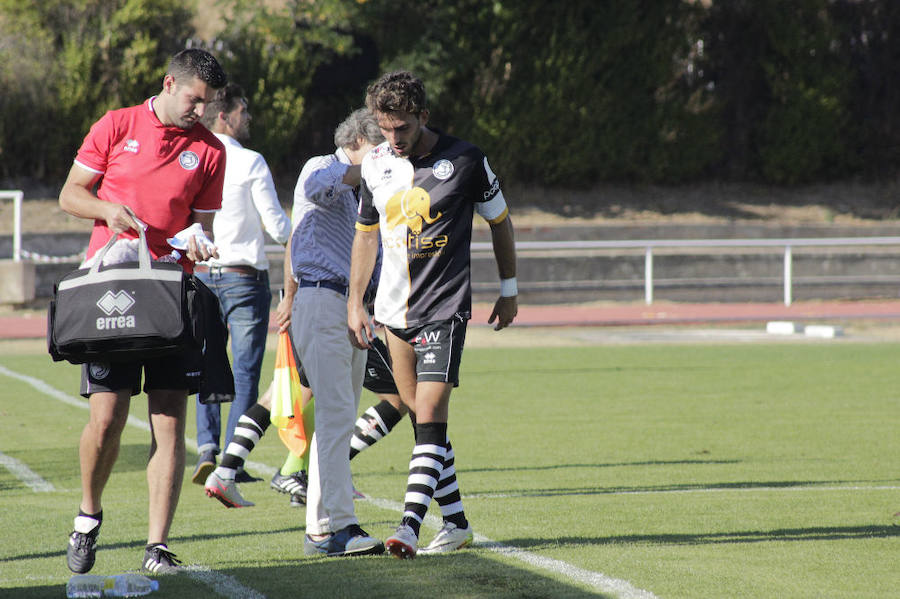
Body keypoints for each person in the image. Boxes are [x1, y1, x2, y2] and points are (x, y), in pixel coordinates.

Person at [58, 49, 228, 575]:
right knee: (107, 420)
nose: (200, 110)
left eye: (207, 103)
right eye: (193, 99)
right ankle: (88, 516)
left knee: (170, 421)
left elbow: (202, 225)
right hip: (114, 293)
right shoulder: (117, 125)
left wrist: (199, 240)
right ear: (169, 83)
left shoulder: (211, 151)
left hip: (172, 298)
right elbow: (70, 194)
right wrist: (107, 209)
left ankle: (157, 546)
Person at [347, 70, 518, 559]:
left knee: (430, 412)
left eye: (402, 127)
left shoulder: (466, 160)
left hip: (445, 306)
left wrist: (509, 288)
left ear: (423, 116)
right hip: (392, 312)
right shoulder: (375, 164)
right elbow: (365, 235)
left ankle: (408, 526)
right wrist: (355, 302)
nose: (394, 137)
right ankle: (457, 523)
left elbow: (500, 221)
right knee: (424, 423)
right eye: (385, 127)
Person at [274, 108, 387, 557]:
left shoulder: (366, 186)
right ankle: (341, 526)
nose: (384, 156)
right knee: (337, 416)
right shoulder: (323, 165)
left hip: (351, 305)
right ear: (357, 140)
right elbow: (317, 189)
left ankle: (321, 530)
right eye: (378, 147)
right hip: (322, 298)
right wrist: (370, 170)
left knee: (337, 419)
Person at [190, 83, 291, 487]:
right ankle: (233, 459)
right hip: (243, 277)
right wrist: (305, 238)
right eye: (242, 111)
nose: (248, 117)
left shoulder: (194, 157)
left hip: (202, 273)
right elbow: (276, 224)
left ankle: (206, 449)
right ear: (224, 116)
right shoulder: (250, 161)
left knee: (206, 364)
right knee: (246, 371)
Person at [203, 332, 406, 508]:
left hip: (305, 316)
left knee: (283, 394)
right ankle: (311, 472)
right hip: (334, 320)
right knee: (400, 397)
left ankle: (227, 471)